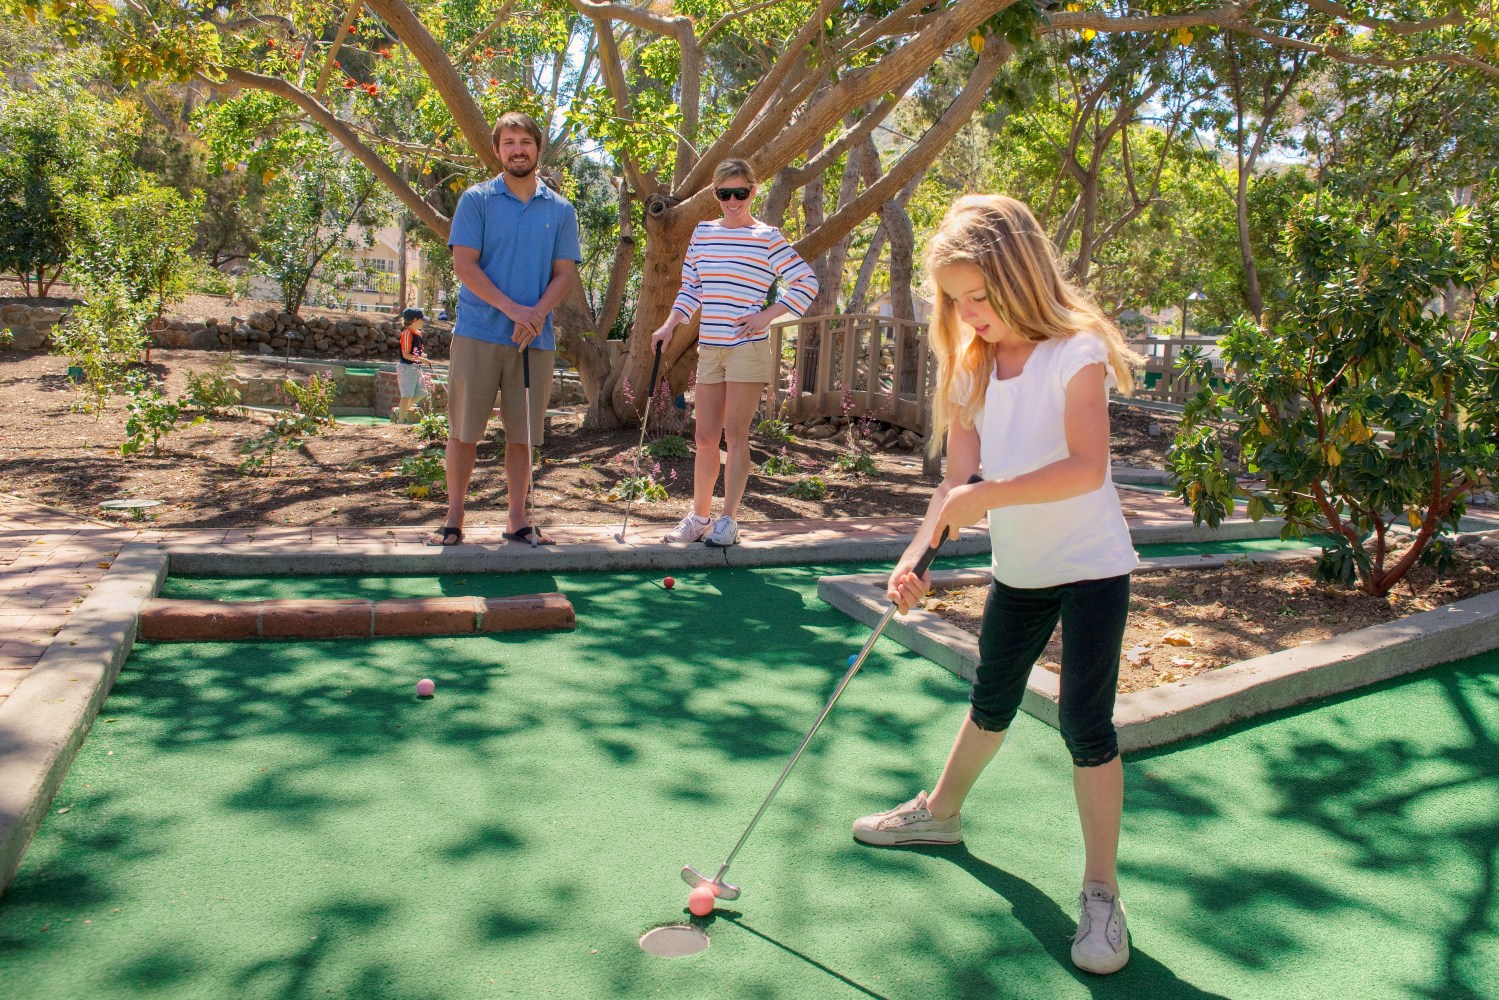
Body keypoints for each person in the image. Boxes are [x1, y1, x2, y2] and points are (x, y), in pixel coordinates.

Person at [850, 195, 1143, 976]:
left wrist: (985, 498)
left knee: (1086, 725)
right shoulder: (971, 368)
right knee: (991, 700)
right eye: (955, 300)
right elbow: (956, 484)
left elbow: (1087, 468)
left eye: (980, 296)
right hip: (1018, 570)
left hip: (1090, 568)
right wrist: (916, 557)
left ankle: (1100, 892)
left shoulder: (1072, 351)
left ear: (1020, 276)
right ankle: (938, 815)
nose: (970, 313)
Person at [426, 111, 581, 546]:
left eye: (525, 142)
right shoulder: (476, 200)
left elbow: (564, 275)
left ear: (537, 148)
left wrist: (534, 316)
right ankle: (454, 516)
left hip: (535, 340)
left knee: (524, 437)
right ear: (497, 151)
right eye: (509, 142)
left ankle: (517, 519)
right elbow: (464, 265)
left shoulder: (561, 209)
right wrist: (515, 310)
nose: (518, 149)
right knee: (463, 431)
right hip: (478, 333)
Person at [650, 159, 819, 547]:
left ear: (752, 192)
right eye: (724, 194)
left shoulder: (767, 237)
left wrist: (768, 316)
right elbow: (691, 288)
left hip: (747, 347)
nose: (732, 201)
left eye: (740, 193)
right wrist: (670, 324)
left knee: (735, 435)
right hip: (711, 347)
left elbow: (806, 282)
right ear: (715, 195)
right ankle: (699, 517)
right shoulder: (703, 233)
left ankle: (728, 520)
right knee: (705, 437)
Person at [395, 307, 431, 424]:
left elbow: (418, 350)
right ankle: (401, 419)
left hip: (416, 367)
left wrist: (422, 356)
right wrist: (422, 360)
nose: (423, 322)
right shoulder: (406, 334)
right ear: (415, 320)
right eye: (422, 320)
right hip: (406, 368)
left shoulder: (418, 334)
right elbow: (406, 354)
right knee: (406, 395)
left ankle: (401, 411)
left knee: (421, 393)